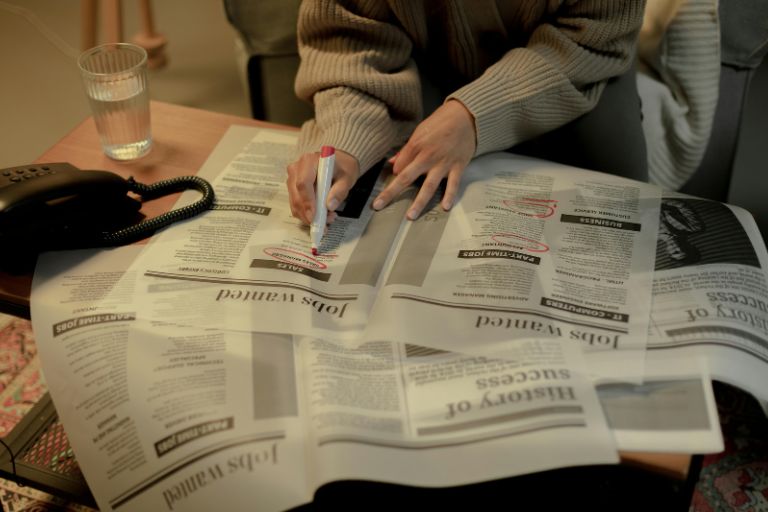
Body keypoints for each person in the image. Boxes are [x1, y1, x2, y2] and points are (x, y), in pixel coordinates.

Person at [286, 0, 648, 226]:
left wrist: (475, 114)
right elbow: (351, 41)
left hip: (578, 74)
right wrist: (347, 141)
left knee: (622, 222)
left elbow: (594, 36)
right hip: (423, 70)